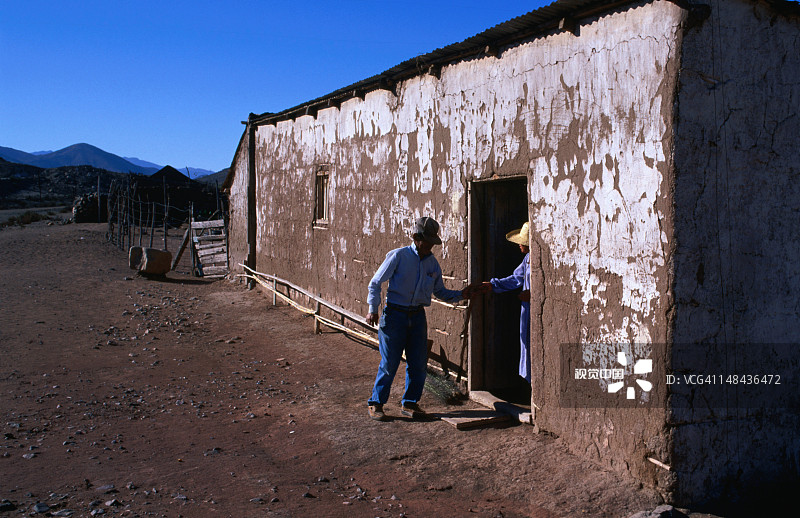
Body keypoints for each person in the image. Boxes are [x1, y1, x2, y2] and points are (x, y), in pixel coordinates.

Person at [366, 216, 481, 421]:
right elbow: (375, 282)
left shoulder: (432, 265)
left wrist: (462, 294)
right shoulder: (398, 256)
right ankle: (376, 403)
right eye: (426, 241)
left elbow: (440, 292)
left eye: (432, 242)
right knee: (389, 363)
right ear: (416, 237)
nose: (430, 246)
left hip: (417, 316)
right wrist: (372, 308)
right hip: (394, 316)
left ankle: (410, 403)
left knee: (418, 363)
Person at [480, 221, 531, 383]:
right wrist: (493, 285)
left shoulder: (540, 260)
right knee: (527, 343)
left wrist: (534, 295)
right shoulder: (527, 260)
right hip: (527, 311)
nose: (519, 245)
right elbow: (516, 278)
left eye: (522, 242)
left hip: (536, 312)